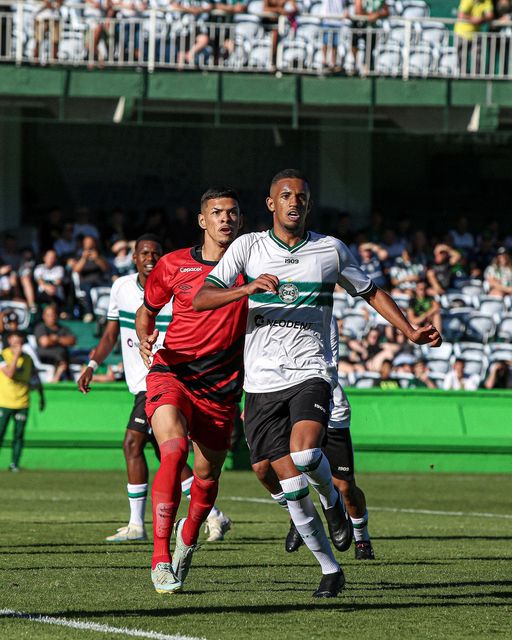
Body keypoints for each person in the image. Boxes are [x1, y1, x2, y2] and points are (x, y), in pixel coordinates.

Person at [193, 168, 442, 598]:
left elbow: (371, 292)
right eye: (285, 195)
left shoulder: (330, 250)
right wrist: (246, 288)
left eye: (302, 197)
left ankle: (333, 506)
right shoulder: (247, 248)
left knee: (307, 453)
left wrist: (409, 330)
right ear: (271, 204)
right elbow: (202, 298)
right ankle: (331, 569)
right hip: (261, 381)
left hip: (311, 371)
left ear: (309, 204)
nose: (294, 201)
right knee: (286, 484)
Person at [78, 234, 231, 543]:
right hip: (137, 383)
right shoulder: (121, 288)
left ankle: (137, 525)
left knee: (132, 444)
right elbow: (110, 335)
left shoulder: (175, 287)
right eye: (144, 253)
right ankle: (213, 515)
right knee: (165, 454)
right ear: (133, 258)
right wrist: (92, 365)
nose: (150, 257)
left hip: (164, 379)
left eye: (156, 253)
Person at [135, 187, 247, 594]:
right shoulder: (172, 264)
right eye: (217, 212)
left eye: (233, 213)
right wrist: (146, 339)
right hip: (174, 371)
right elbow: (146, 310)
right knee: (174, 450)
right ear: (203, 220)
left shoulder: (255, 265)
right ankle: (160, 557)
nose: (225, 219)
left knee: (206, 474)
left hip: (222, 386)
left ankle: (189, 536)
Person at [0, 331, 45, 472]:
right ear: (9, 340)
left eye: (20, 341)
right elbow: (10, 373)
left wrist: (42, 396)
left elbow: (35, 378)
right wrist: (15, 357)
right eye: (15, 341)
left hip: (22, 402)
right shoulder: (3, 355)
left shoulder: (28, 359)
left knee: (18, 435)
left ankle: (14, 464)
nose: (17, 344)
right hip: (4, 402)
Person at [70, 235, 110, 322]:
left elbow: (106, 268)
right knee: (88, 288)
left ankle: (110, 313)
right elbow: (76, 270)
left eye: (91, 242)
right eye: (87, 242)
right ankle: (89, 313)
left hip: (100, 281)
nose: (89, 244)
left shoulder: (99, 253)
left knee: (114, 286)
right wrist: (84, 258)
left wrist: (97, 259)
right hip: (86, 281)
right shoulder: (79, 254)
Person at [34, 305, 77, 382]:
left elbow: (72, 340)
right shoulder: (41, 327)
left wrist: (56, 338)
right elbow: (45, 342)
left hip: (64, 356)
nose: (52, 317)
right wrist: (62, 340)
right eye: (49, 315)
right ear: (44, 316)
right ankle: (58, 379)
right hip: (46, 357)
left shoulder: (63, 328)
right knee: (60, 356)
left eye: (53, 314)